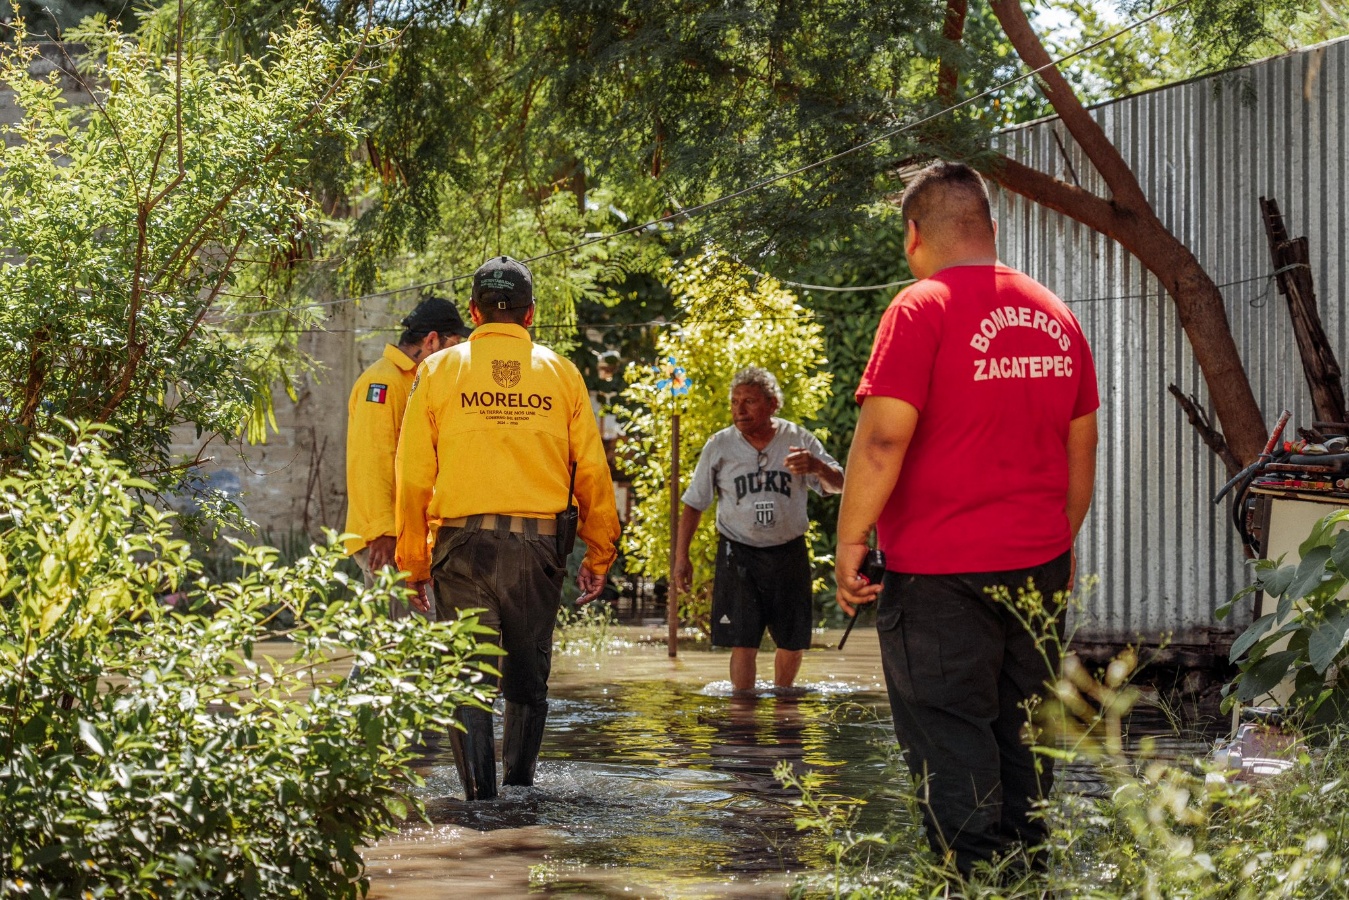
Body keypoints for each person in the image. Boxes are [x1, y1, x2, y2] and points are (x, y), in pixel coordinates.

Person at [835, 161, 1099, 876]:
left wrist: (850, 539)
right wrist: (1055, 543)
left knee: (952, 746)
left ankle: (974, 887)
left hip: (937, 579)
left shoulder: (919, 308)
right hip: (1038, 570)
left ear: (914, 234)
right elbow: (1081, 452)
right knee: (1025, 748)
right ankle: (1027, 885)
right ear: (986, 227)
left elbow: (884, 438)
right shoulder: (1055, 313)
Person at [395, 255, 621, 801]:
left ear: (474, 312)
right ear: (530, 314)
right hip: (538, 547)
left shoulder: (439, 370)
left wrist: (414, 562)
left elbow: (412, 475)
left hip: (462, 547)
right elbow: (591, 470)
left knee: (467, 682)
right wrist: (599, 553)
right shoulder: (561, 373)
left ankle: (479, 803)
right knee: (526, 681)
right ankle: (520, 796)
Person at [674, 366, 844, 695]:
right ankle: (742, 715)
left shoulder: (798, 439)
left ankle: (783, 701)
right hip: (738, 552)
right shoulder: (719, 445)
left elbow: (840, 484)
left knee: (793, 642)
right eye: (735, 402)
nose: (739, 409)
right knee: (743, 641)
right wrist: (681, 558)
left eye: (749, 401)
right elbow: (694, 503)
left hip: (788, 551)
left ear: (772, 404)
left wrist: (817, 466)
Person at [343, 296, 472, 614]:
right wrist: (383, 531)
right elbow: (372, 458)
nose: (456, 355)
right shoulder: (383, 382)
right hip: (388, 539)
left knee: (395, 645)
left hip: (409, 536)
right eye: (452, 344)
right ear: (431, 340)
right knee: (396, 644)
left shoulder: (419, 380)